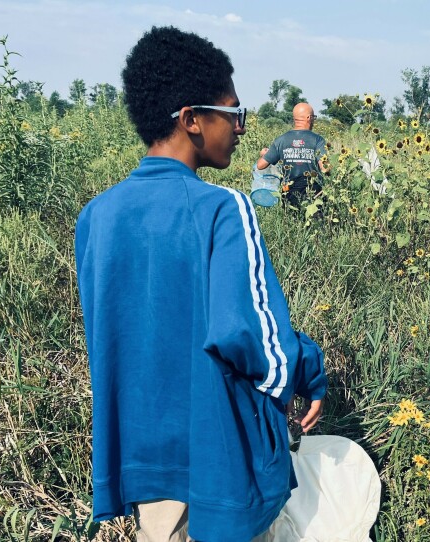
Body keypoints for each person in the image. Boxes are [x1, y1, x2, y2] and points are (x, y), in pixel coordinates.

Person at [75, 27, 327, 541]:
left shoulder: (95, 218)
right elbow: (255, 340)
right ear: (191, 120)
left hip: (147, 471)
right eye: (233, 113)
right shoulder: (223, 210)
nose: (239, 128)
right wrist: (309, 370)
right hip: (219, 462)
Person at [256, 102, 329, 208]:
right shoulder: (318, 140)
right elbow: (325, 169)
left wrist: (264, 154)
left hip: (289, 193)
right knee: (316, 222)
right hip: (313, 193)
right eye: (314, 117)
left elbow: (260, 165)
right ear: (308, 118)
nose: (313, 120)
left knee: (293, 222)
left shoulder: (281, 140)